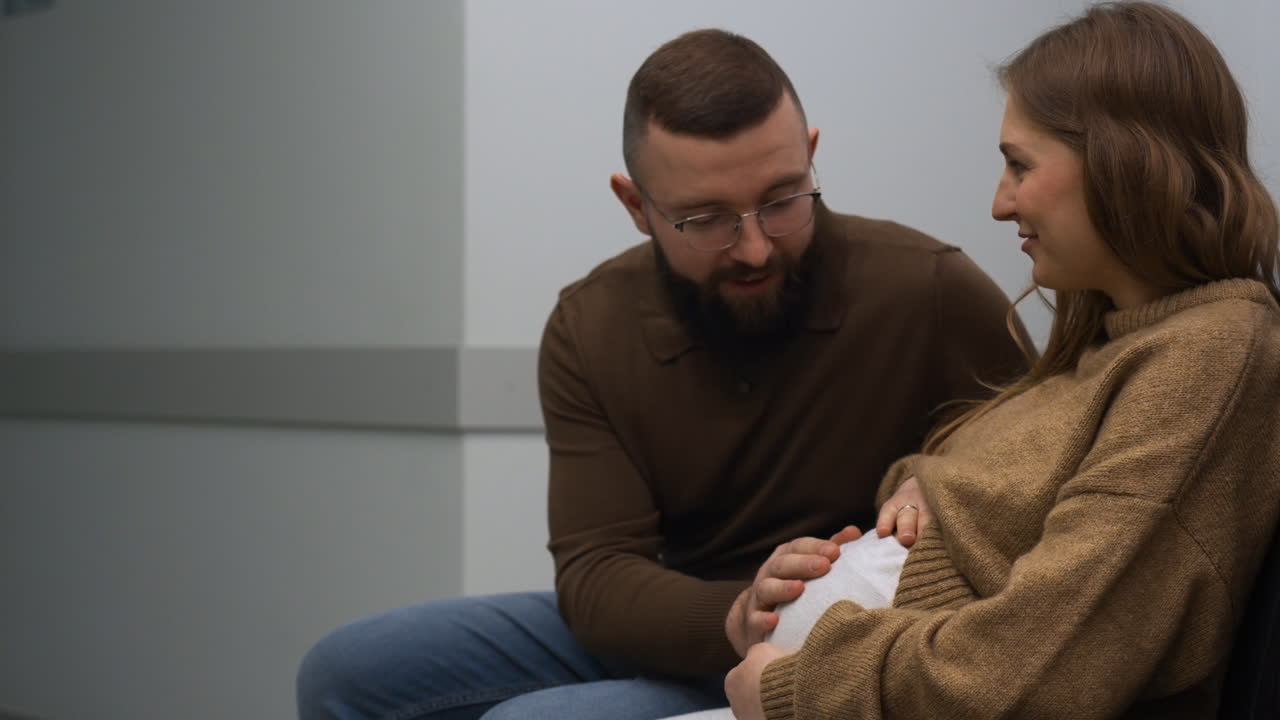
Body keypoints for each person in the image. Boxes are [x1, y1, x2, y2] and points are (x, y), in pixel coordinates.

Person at [295, 29, 1030, 720]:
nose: (753, 248)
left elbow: (1047, 459)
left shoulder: (928, 289)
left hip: (845, 641)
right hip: (694, 620)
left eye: (780, 201)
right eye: (705, 219)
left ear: (811, 156)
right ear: (635, 206)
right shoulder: (591, 325)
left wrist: (936, 478)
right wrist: (738, 612)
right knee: (344, 671)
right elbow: (596, 574)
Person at [712, 4, 1280, 719]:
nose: (998, 203)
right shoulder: (1113, 334)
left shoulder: (1212, 356)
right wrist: (911, 495)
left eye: (1019, 164)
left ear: (1121, 161)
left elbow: (1038, 663)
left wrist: (795, 689)